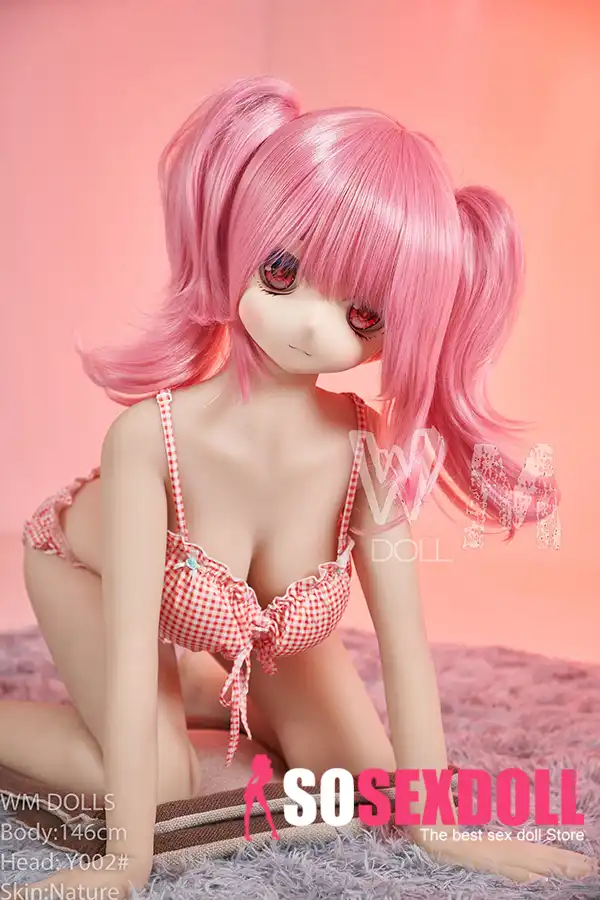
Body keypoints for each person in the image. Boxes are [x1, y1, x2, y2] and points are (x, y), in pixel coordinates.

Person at [4, 76, 597, 897]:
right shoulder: (151, 439)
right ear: (241, 236)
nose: (314, 324)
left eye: (365, 314)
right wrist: (124, 863)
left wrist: (441, 830)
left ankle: (209, 687)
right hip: (89, 573)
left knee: (362, 779)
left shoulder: (361, 449)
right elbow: (136, 645)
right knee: (164, 781)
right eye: (283, 270)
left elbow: (406, 648)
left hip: (257, 623)